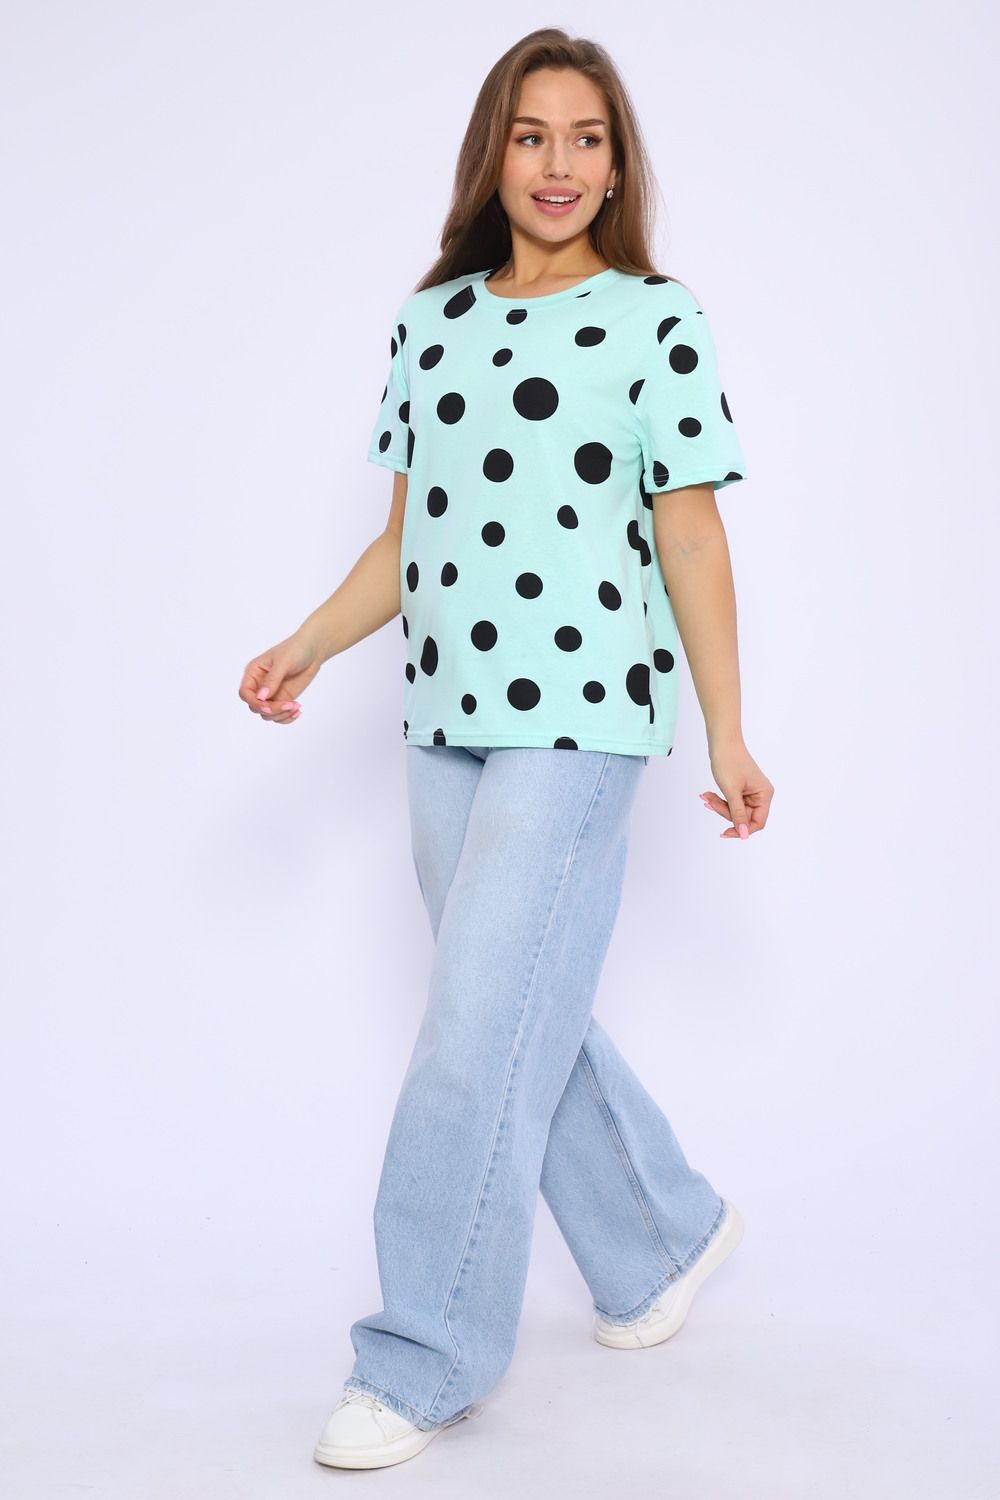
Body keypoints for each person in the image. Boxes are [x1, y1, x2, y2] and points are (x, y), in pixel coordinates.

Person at [238, 26, 774, 1472]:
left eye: (587, 138)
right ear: (493, 152)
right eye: (532, 135)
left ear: (619, 162)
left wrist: (727, 730)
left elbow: (691, 534)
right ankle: (659, 1238)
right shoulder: (432, 323)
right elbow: (406, 540)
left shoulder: (657, 319)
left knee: (474, 1027)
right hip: (446, 712)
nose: (559, 164)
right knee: (519, 1004)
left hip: (584, 712)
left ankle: (419, 1358)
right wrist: (305, 643)